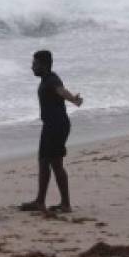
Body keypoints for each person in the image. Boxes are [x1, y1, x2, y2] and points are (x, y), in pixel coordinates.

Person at [19, 50, 83, 213]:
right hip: (51, 125)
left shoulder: (52, 79)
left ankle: (65, 204)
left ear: (44, 65)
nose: (32, 67)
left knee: (55, 163)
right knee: (44, 162)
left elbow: (61, 91)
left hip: (56, 126)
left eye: (35, 64)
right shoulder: (47, 79)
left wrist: (74, 100)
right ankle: (41, 201)